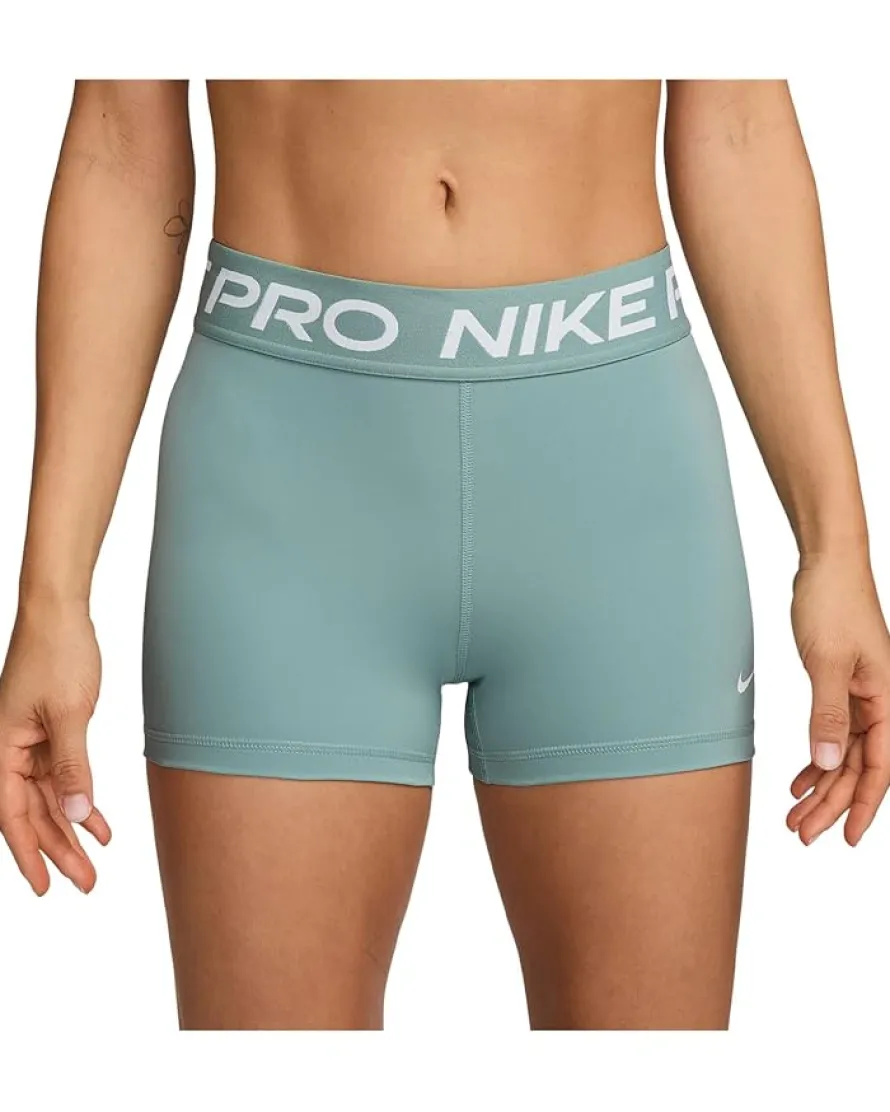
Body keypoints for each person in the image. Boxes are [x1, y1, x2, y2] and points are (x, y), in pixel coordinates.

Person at [1, 79, 888, 1031]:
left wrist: (836, 547)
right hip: (284, 477)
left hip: (614, 476)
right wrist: (52, 595)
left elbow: (739, 122)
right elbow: (122, 140)